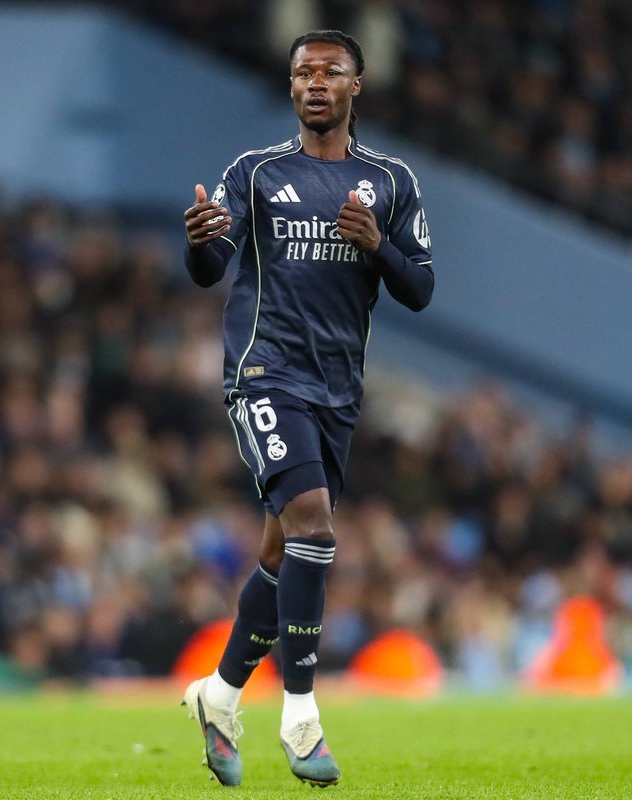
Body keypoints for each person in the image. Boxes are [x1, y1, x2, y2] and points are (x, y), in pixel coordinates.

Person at [180, 29, 435, 787]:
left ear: (356, 85)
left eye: (330, 71)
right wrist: (197, 241)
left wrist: (377, 245)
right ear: (291, 87)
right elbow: (210, 267)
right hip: (265, 374)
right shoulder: (256, 173)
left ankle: (220, 696)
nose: (315, 82)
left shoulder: (390, 181)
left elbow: (420, 288)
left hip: (337, 390)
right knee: (315, 528)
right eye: (303, 73)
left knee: (280, 553)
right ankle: (300, 715)